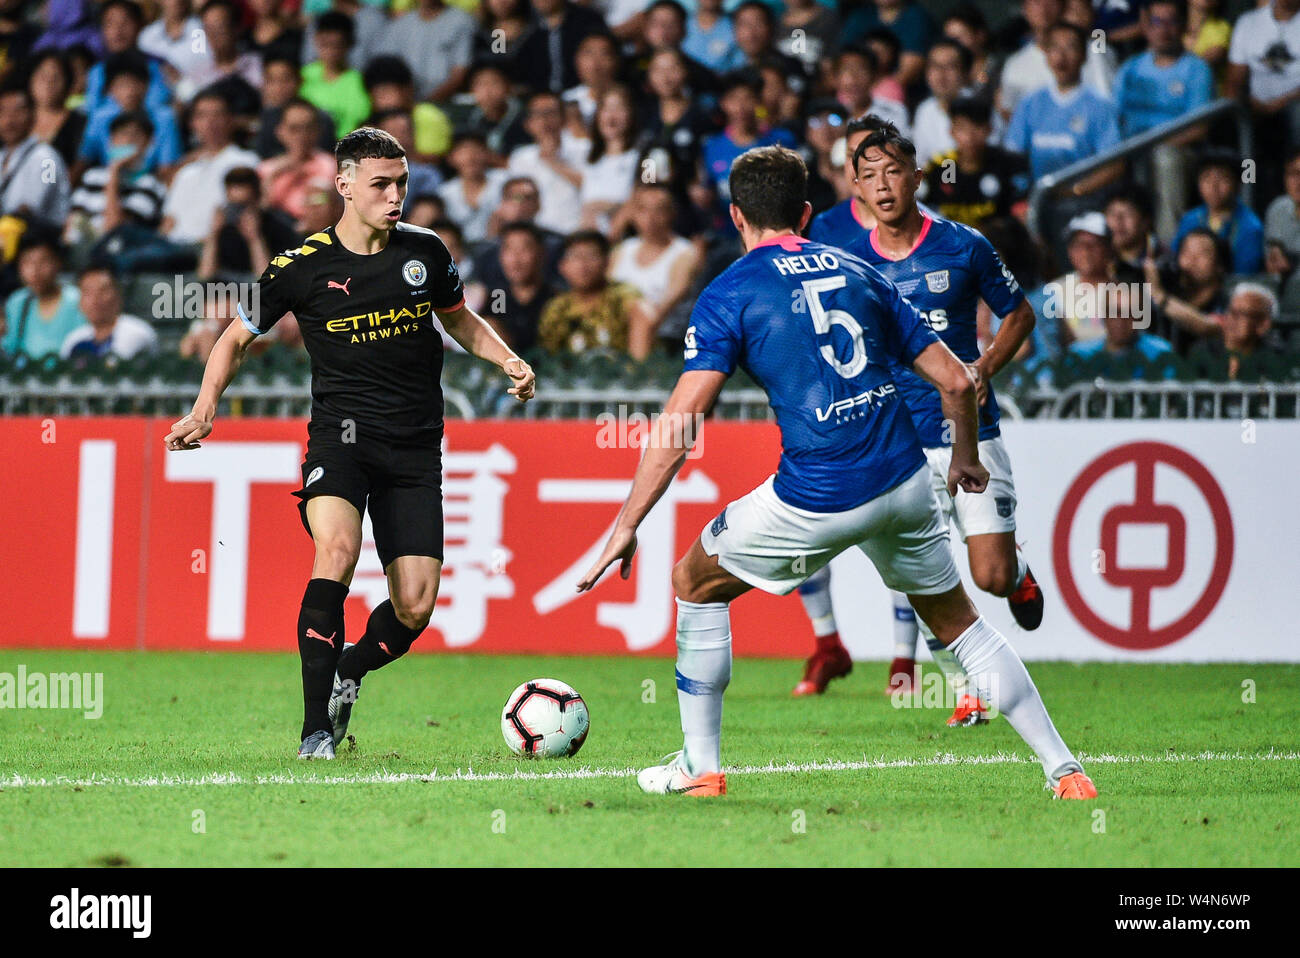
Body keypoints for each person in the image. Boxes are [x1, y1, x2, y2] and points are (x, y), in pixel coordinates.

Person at [576, 144, 1097, 801]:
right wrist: (964, 456)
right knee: (962, 623)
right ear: (807, 211)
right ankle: (1066, 770)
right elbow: (958, 381)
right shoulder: (861, 270)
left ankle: (700, 768)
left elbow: (683, 421)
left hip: (817, 494)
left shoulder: (730, 291)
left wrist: (627, 524)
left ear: (736, 217)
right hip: (906, 481)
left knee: (693, 581)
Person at [164, 126, 537, 761]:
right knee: (336, 551)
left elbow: (459, 319)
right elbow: (232, 337)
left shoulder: (425, 252)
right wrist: (205, 409)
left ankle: (348, 671)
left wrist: (506, 359)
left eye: (402, 184)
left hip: (415, 450)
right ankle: (315, 734)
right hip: (339, 442)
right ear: (344, 185)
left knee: (415, 605)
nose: (396, 196)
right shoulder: (300, 266)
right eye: (381, 185)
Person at [829, 120, 1044, 720]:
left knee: (991, 577)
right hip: (896, 440)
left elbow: (1020, 315)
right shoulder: (847, 264)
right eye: (868, 175)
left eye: (893, 170)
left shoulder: (964, 244)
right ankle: (967, 691)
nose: (882, 184)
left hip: (970, 431)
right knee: (921, 574)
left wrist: (983, 369)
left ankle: (1020, 570)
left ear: (917, 176)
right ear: (857, 188)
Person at [538, 230, 654, 358]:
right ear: (563, 266)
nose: (583, 265)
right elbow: (549, 357)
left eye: (591, 256)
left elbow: (644, 317)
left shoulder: (624, 295)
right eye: (575, 257)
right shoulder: (557, 308)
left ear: (607, 262)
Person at [919, 95, 1029, 226]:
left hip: (996, 243)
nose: (969, 137)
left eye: (977, 128)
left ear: (989, 130)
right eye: (962, 128)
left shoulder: (1010, 165)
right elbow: (921, 210)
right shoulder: (940, 167)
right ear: (952, 132)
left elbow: (1020, 216)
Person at [1171, 148, 1263, 274]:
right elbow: (1175, 258)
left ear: (1237, 184)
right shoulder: (1190, 219)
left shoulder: (1251, 227)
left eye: (1222, 179)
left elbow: (1245, 274)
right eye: (1206, 178)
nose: (1213, 186)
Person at [2, 230, 82, 359]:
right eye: (27, 262)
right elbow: (9, 348)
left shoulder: (77, 300)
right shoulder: (16, 302)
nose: (35, 271)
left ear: (58, 262)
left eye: (43, 261)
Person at [0, 83, 71, 229]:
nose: (9, 120)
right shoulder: (2, 156)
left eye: (18, 111)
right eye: (3, 112)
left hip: (38, 237)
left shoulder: (48, 159)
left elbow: (31, 208)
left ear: (33, 115)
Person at [60, 264, 159, 362]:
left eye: (102, 291)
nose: (95, 299)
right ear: (79, 301)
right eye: (87, 292)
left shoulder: (136, 333)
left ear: (118, 294)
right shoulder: (74, 340)